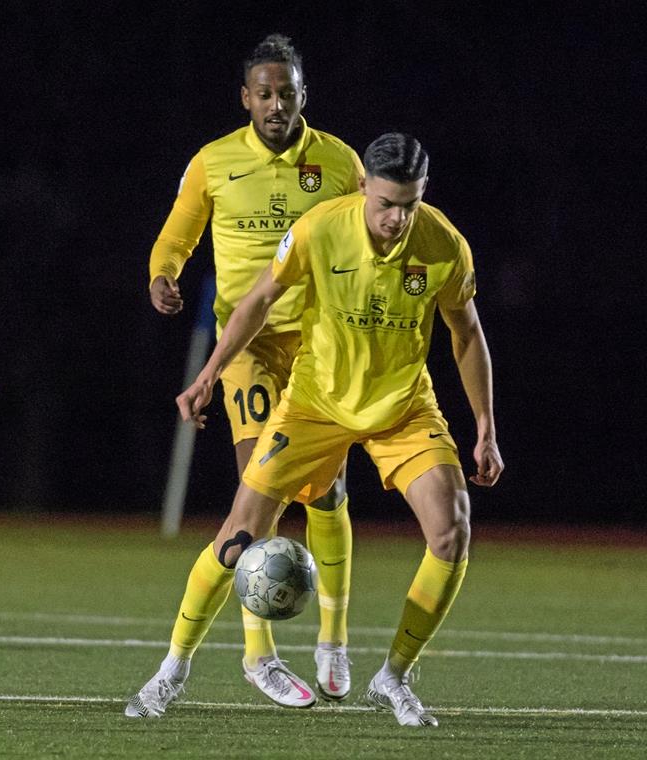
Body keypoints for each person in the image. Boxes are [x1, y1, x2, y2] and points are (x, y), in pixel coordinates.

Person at [127, 132, 503, 727]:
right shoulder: (319, 228)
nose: (396, 218)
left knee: (452, 531)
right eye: (385, 203)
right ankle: (172, 670)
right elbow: (258, 299)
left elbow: (466, 333)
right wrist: (208, 375)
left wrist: (485, 427)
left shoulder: (444, 245)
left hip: (403, 407)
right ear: (363, 190)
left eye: (408, 203)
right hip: (315, 403)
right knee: (237, 537)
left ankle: (393, 677)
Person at [142, 33, 363, 710]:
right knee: (255, 492)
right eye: (264, 94)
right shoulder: (214, 161)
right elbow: (178, 232)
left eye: (287, 94)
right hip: (248, 346)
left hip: (321, 349)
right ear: (246, 97)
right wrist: (162, 273)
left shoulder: (337, 162)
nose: (275, 105)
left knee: (325, 495)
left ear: (303, 96)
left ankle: (333, 638)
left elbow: (370, 239)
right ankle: (257, 655)